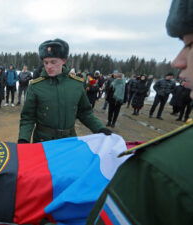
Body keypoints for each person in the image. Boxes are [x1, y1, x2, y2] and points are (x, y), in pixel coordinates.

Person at [86, 1, 193, 224]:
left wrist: (99, 126)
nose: (177, 61)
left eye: (190, 44)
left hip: (120, 102)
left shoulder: (155, 170)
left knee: (115, 114)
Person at [18, 38, 111, 143]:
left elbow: (85, 113)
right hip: (43, 141)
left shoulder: (76, 84)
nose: (49, 66)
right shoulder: (36, 86)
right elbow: (28, 118)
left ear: (64, 60)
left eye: (53, 62)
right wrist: (23, 139)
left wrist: (99, 128)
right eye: (46, 62)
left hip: (68, 142)